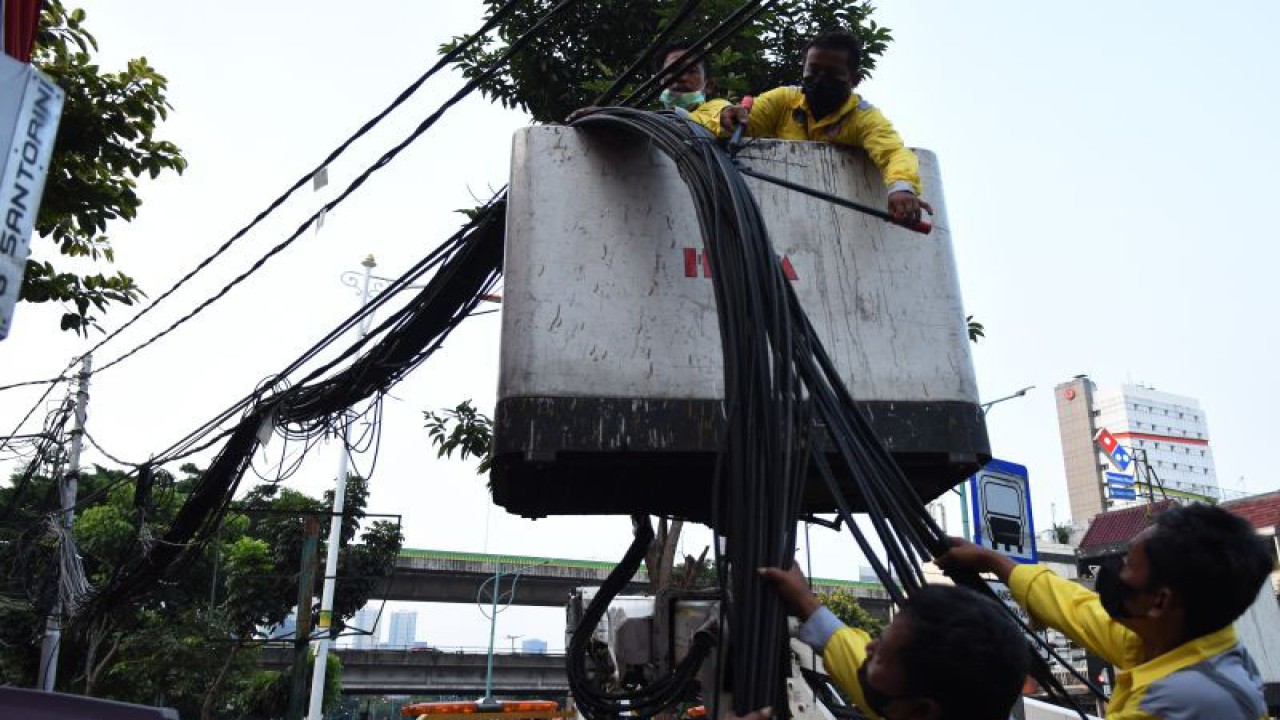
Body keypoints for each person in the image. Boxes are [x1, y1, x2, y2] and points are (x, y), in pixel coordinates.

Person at [937, 503, 1274, 719]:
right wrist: (991, 561)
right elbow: (1076, 609)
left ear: (1159, 601)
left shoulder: (1175, 702)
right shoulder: (1172, 638)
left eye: (1128, 564)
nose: (1113, 570)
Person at [753, 563, 1029, 720]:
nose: (868, 648)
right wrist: (806, 602)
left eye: (881, 657)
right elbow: (856, 658)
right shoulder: (944, 704)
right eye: (878, 640)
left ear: (921, 711)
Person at [718, 30, 928, 227]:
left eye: (832, 73)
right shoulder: (783, 100)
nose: (819, 80)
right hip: (774, 214)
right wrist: (727, 118)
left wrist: (902, 188)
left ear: (854, 79)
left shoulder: (865, 118)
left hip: (837, 224)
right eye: (813, 70)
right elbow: (744, 124)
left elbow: (893, 153)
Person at [566, 42, 729, 134]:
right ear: (659, 81)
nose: (681, 77)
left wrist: (618, 117)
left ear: (709, 85)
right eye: (672, 70)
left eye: (691, 71)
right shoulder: (651, 124)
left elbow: (720, 119)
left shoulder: (718, 109)